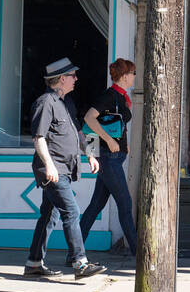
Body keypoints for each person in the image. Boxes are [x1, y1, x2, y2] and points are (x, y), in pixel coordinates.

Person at [24, 57, 106, 280]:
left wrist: (90, 154)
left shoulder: (66, 102)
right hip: (54, 170)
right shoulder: (45, 103)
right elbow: (38, 138)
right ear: (61, 79)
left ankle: (33, 263)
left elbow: (79, 133)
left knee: (49, 216)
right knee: (72, 211)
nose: (76, 79)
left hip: (66, 169)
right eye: (72, 75)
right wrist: (49, 165)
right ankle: (80, 263)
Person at [79, 58, 138, 257]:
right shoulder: (109, 95)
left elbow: (117, 122)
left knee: (96, 205)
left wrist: (123, 142)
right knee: (125, 203)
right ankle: (138, 253)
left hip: (114, 157)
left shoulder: (121, 97)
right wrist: (109, 141)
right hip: (108, 158)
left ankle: (74, 252)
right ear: (124, 76)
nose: (134, 77)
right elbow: (88, 119)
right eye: (132, 73)